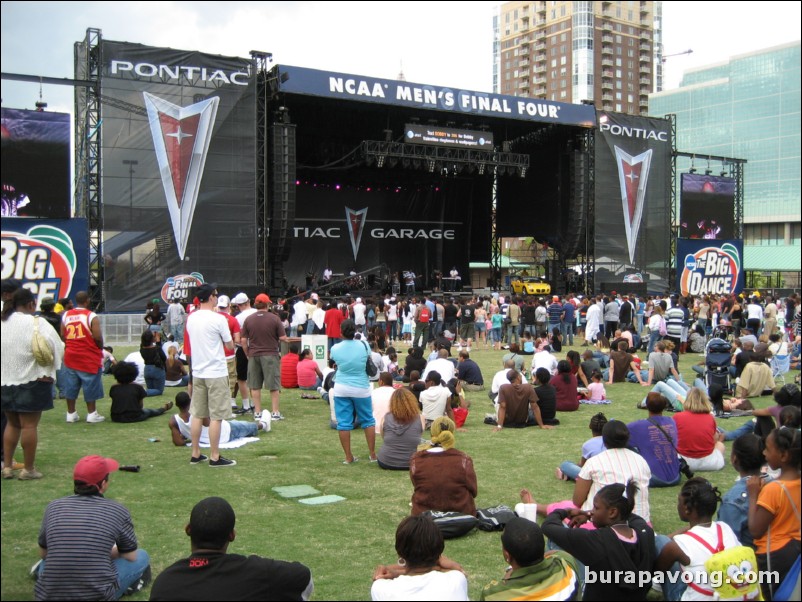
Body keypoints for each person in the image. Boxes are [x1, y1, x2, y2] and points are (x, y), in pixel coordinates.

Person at [149, 497, 313, 601]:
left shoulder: (164, 583)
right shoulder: (259, 572)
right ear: (232, 535)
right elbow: (305, 578)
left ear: (188, 530)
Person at [34, 455, 151, 600]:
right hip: (96, 595)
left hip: (49, 595)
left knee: (51, 560)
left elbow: (44, 554)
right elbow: (130, 555)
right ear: (103, 484)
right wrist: (103, 551)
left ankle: (44, 569)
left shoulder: (54, 507)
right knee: (142, 556)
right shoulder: (117, 510)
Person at [541, 481, 655, 601]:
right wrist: (590, 514)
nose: (593, 511)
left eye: (596, 507)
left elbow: (548, 526)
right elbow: (631, 517)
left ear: (612, 512)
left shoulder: (595, 540)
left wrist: (566, 512)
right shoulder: (644, 531)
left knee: (554, 541)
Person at [655, 478, 757, 602]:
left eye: (679, 502)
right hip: (733, 595)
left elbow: (657, 571)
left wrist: (668, 538)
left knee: (661, 541)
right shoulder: (725, 528)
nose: (677, 505)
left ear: (687, 509)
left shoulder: (678, 544)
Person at [1, 287, 64, 480]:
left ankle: (7, 466)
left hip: (4, 380)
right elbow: (57, 347)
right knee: (29, 426)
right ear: (30, 304)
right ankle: (28, 469)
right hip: (32, 379)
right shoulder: (37, 322)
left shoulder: (3, 322)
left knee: (11, 424)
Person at [184, 283, 237, 467]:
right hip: (215, 371)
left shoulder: (191, 318)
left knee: (197, 413)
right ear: (212, 297)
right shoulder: (218, 319)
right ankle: (215, 455)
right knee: (216, 416)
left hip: (198, 371)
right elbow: (230, 345)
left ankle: (195, 452)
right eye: (215, 294)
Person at [747, 427, 801, 600]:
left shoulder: (773, 489)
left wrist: (753, 494)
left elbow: (755, 529)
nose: (764, 452)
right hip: (795, 548)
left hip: (773, 555)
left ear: (784, 455)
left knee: (772, 595)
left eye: (768, 449)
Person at [479, 517, 580, 601]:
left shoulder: (493, 595)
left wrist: (509, 574)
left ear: (507, 555)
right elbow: (557, 553)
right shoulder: (566, 565)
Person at [371, 515, 468, 601]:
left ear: (399, 553)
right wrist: (440, 564)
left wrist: (397, 572)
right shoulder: (457, 580)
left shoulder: (381, 588)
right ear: (439, 551)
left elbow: (416, 572)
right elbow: (459, 570)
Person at [329, 319, 377, 464]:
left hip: (341, 387)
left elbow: (334, 363)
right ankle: (372, 454)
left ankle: (348, 456)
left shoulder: (335, 349)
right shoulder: (364, 345)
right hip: (361, 387)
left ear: (341, 332)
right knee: (368, 420)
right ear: (355, 331)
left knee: (343, 423)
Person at [410, 417, 477, 516]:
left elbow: (417, 486)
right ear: (452, 434)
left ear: (432, 433)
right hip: (460, 515)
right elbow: (473, 490)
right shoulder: (464, 460)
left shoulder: (416, 459)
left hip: (424, 517)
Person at [61, 290, 106, 423]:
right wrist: (100, 347)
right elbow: (97, 336)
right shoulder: (91, 316)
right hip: (88, 355)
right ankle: (92, 414)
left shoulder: (66, 315)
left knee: (71, 384)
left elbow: (63, 335)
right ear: (87, 301)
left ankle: (71, 413)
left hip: (71, 355)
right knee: (90, 383)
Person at [718, 434, 767, 549]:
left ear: (734, 459)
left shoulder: (732, 500)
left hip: (748, 560)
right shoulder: (775, 484)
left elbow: (726, 542)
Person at [169, 392, 269, 447]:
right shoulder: (197, 412)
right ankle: (263, 424)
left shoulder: (173, 421)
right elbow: (209, 423)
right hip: (225, 432)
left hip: (213, 437)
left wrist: (187, 437)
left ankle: (262, 424)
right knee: (247, 426)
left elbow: (178, 443)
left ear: (177, 405)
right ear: (190, 401)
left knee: (239, 424)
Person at [627, 392, 681, 487]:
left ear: (647, 406)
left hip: (654, 478)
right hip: (676, 477)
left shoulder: (638, 426)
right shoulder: (671, 421)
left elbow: (617, 434)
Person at [674, 387, 726, 472]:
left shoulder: (677, 417)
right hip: (709, 463)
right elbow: (714, 440)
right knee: (720, 445)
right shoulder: (710, 418)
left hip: (684, 461)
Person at [377, 388, 425, 470]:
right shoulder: (420, 418)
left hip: (386, 461)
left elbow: (384, 437)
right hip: (412, 462)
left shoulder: (385, 418)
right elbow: (418, 435)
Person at [556, 412, 607, 481]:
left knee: (565, 465)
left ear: (590, 426)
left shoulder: (588, 444)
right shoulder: (611, 441)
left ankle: (567, 474)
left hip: (595, 477)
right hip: (609, 472)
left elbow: (583, 466)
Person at [139, 330, 167, 397]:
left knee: (151, 389)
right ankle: (141, 392)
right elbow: (164, 358)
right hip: (157, 369)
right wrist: (158, 342)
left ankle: (144, 391)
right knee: (159, 390)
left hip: (147, 369)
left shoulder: (142, 349)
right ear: (152, 339)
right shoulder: (156, 348)